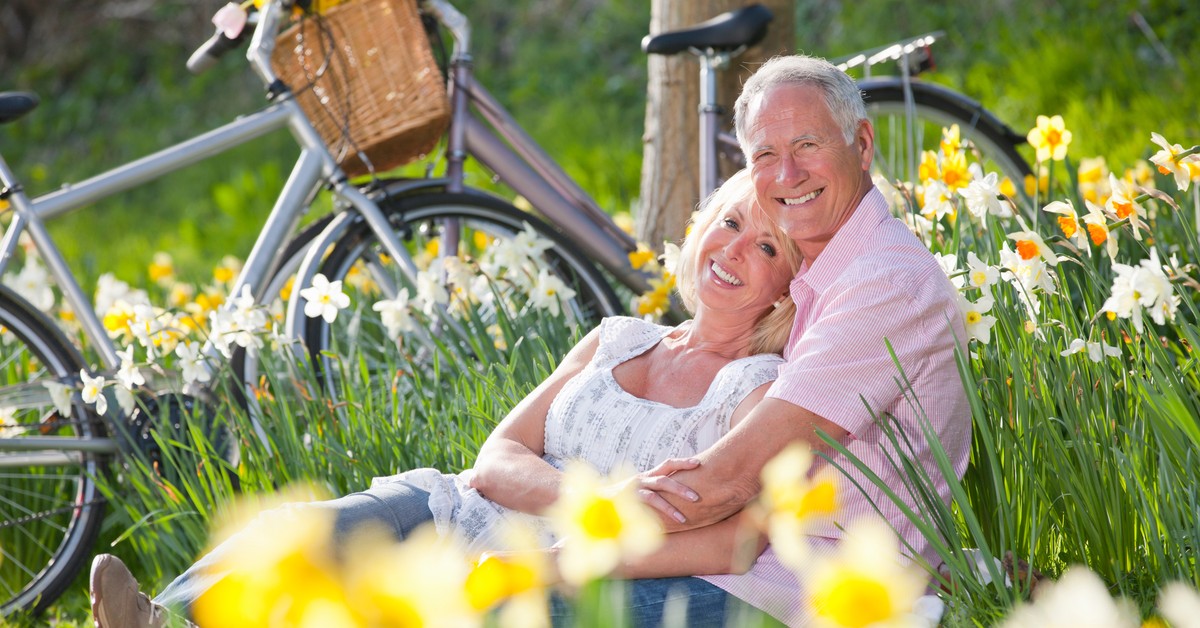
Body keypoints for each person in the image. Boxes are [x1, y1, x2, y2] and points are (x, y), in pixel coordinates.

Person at [88, 168, 805, 628]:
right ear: (700, 228)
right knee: (297, 531)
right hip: (461, 506)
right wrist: (597, 501)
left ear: (785, 290)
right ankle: (161, 621)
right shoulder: (617, 337)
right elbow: (496, 459)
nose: (735, 250)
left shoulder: (759, 389)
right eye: (730, 223)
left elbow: (734, 542)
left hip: (560, 567)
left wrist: (569, 543)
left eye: (768, 248)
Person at [619, 54, 972, 625]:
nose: (787, 175)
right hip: (751, 566)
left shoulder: (884, 283)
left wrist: (563, 545)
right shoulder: (819, 278)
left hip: (809, 592)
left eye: (807, 145)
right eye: (765, 155)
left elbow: (733, 476)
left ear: (862, 145)